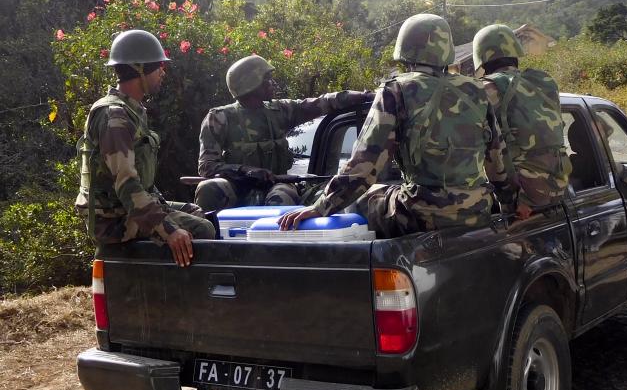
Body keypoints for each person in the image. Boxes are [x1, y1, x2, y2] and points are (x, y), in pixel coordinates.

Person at [279, 14, 511, 237]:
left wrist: (321, 207)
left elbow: (364, 167)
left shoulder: (396, 90)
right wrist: (510, 207)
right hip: (477, 210)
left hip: (421, 213)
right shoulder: (477, 91)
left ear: (406, 50)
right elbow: (498, 163)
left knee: (363, 199)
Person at [75, 29, 214, 267]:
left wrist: (161, 210)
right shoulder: (115, 117)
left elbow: (140, 179)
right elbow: (126, 184)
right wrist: (168, 230)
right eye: (158, 65)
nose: (163, 71)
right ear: (140, 69)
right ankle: (173, 297)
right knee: (202, 229)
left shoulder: (130, 110)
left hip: (124, 209)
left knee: (196, 211)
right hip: (112, 220)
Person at [194, 55, 373, 212]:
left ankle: (275, 247)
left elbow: (321, 103)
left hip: (277, 183)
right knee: (208, 188)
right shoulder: (220, 118)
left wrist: (363, 97)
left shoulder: (280, 110)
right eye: (267, 79)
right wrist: (244, 170)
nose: (273, 83)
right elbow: (207, 166)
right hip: (237, 185)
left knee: (281, 196)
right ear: (252, 83)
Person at [472, 24, 570, 219]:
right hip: (557, 187)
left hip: (519, 197)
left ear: (482, 59)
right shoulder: (545, 82)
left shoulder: (486, 90)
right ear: (515, 52)